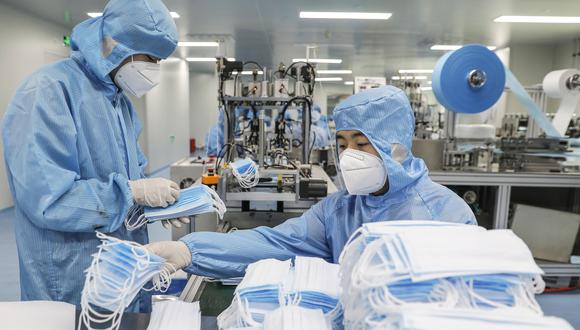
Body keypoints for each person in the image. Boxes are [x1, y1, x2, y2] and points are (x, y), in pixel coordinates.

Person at [147, 86, 476, 278]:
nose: (349, 157)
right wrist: (189, 250)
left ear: (396, 146)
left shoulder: (447, 215)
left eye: (361, 145)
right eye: (342, 144)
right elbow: (275, 243)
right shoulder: (340, 210)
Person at [1, 0, 184, 311]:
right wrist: (132, 192)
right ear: (117, 44)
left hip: (121, 270)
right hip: (70, 279)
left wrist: (157, 205)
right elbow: (48, 200)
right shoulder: (48, 91)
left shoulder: (118, 102)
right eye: (151, 57)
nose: (154, 68)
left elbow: (133, 176)